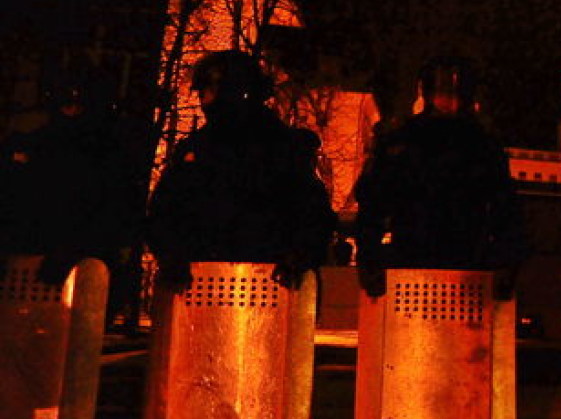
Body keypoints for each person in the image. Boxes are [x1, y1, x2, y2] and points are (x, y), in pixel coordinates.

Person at [147, 50, 335, 291]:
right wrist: (172, 255)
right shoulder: (197, 148)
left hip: (266, 285)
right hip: (200, 285)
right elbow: (165, 210)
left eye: (208, 91)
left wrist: (297, 256)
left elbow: (311, 212)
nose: (203, 100)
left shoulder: (280, 148)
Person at [352, 56, 525, 298]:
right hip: (416, 259)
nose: (448, 99)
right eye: (442, 88)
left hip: (465, 263)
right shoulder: (404, 141)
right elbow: (373, 204)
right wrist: (370, 259)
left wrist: (506, 262)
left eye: (454, 90)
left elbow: (505, 209)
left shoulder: (481, 144)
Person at [0, 63, 151, 308]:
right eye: (66, 103)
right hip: (31, 261)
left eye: (77, 104)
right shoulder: (37, 143)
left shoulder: (106, 151)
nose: (70, 110)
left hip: (79, 267)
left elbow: (111, 209)